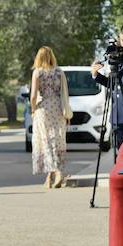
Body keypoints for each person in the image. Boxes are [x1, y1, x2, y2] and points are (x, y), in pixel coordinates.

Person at [92, 23, 123, 151]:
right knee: (120, 154)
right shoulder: (117, 56)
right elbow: (115, 85)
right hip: (118, 114)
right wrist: (97, 75)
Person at [29, 46, 70, 188]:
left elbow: (34, 95)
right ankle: (50, 177)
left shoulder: (37, 73)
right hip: (58, 108)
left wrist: (33, 109)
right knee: (57, 140)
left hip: (43, 108)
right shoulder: (59, 72)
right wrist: (66, 111)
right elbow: (65, 93)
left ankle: (57, 172)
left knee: (46, 141)